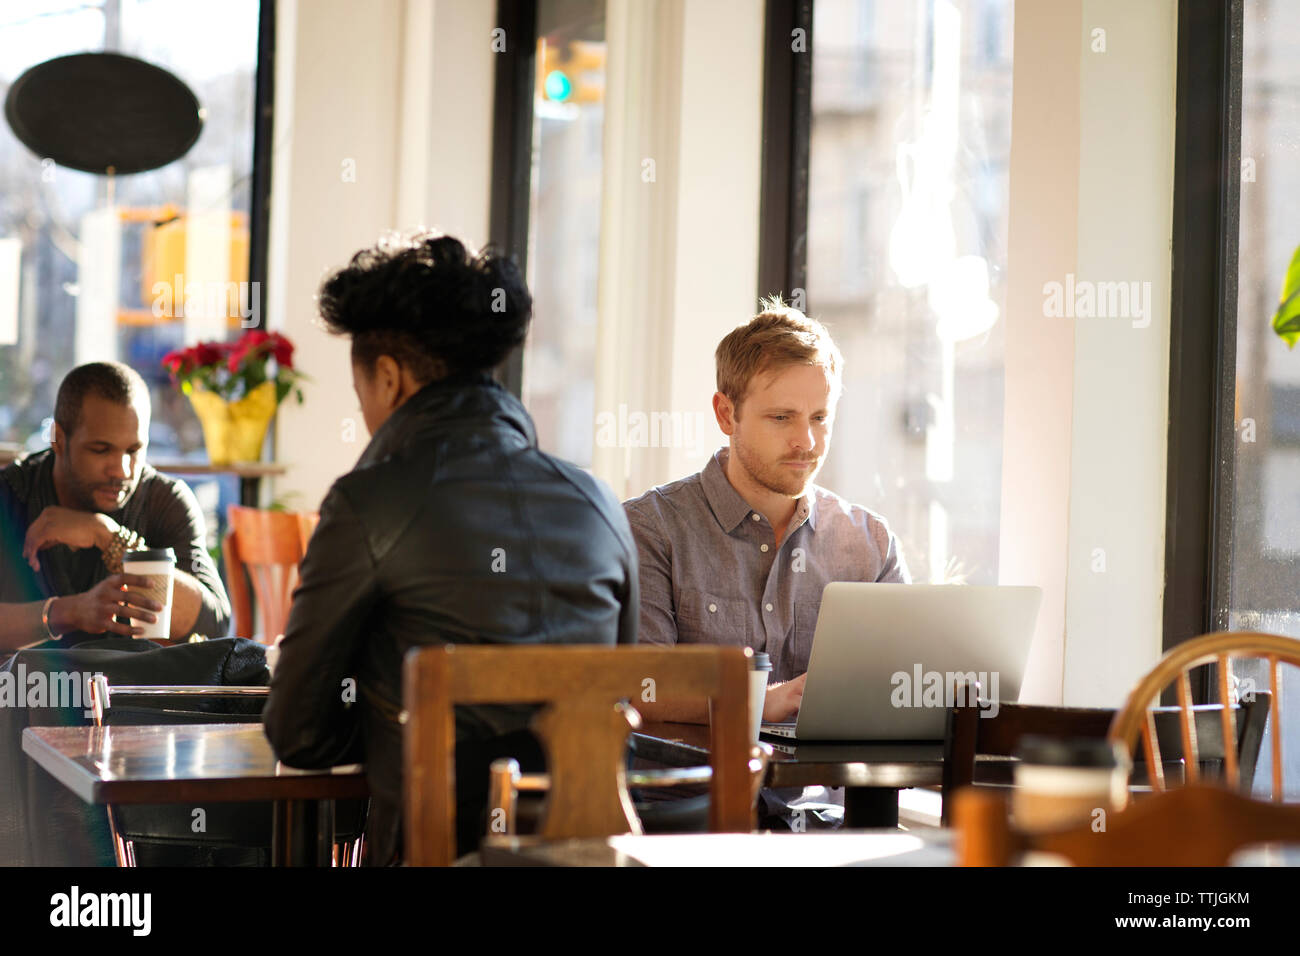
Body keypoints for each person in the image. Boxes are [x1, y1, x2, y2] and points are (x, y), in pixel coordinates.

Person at [262, 233, 638, 865]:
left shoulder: (368, 504)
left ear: (388, 376)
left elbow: (298, 733)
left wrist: (393, 718)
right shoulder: (599, 503)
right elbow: (618, 701)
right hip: (590, 852)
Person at [622, 298, 909, 825]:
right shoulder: (650, 528)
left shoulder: (870, 543)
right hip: (689, 823)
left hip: (830, 827)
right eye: (782, 418)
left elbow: (903, 691)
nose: (807, 441)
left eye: (821, 418)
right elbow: (640, 685)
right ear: (726, 413)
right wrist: (763, 701)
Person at [0, 362, 231, 651]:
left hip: (131, 692)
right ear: (58, 438)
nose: (121, 470)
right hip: (25, 691)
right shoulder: (10, 494)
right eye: (101, 450)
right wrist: (68, 612)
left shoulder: (163, 499)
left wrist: (108, 537)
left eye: (134, 450)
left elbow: (212, 624)